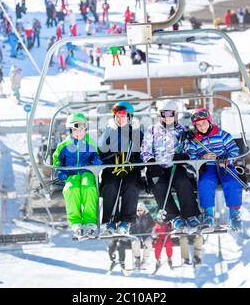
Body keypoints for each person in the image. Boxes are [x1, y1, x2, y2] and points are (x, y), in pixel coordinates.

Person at [141, 99, 201, 233]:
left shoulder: (182, 131)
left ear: (176, 114)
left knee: (183, 181)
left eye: (170, 114)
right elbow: (145, 149)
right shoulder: (152, 130)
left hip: (175, 165)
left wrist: (183, 157)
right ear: (159, 115)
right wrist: (151, 162)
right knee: (158, 186)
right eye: (164, 114)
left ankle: (190, 214)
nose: (167, 117)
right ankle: (174, 216)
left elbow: (189, 149)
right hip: (156, 167)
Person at [185, 108, 243, 232]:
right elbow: (192, 156)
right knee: (205, 183)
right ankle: (208, 215)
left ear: (209, 122)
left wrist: (227, 160)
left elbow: (234, 150)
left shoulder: (222, 135)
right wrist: (203, 158)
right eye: (198, 125)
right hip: (208, 166)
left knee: (232, 182)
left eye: (204, 123)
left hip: (224, 165)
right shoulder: (195, 141)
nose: (202, 127)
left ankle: (234, 215)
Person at [52, 113, 102, 239]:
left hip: (87, 172)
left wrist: (96, 160)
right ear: (70, 130)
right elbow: (57, 160)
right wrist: (60, 171)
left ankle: (90, 220)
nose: (79, 133)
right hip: (71, 174)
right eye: (75, 130)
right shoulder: (63, 146)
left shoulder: (89, 143)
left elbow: (95, 155)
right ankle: (76, 222)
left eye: (81, 130)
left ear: (85, 129)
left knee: (89, 188)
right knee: (70, 189)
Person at [99, 101, 143, 236]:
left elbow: (145, 151)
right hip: (112, 168)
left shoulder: (137, 133)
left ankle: (126, 221)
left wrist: (137, 160)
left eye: (122, 116)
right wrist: (110, 156)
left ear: (129, 117)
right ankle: (109, 220)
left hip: (130, 169)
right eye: (117, 116)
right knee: (110, 186)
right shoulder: (109, 132)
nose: (119, 119)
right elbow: (101, 150)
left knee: (131, 186)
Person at [130, 202, 154, 270]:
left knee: (148, 243)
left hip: (146, 234)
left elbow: (151, 225)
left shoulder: (148, 216)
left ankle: (145, 260)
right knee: (135, 243)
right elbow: (131, 226)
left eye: (140, 210)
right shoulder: (134, 216)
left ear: (144, 209)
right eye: (137, 210)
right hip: (136, 233)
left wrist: (149, 231)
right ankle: (137, 258)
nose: (139, 212)